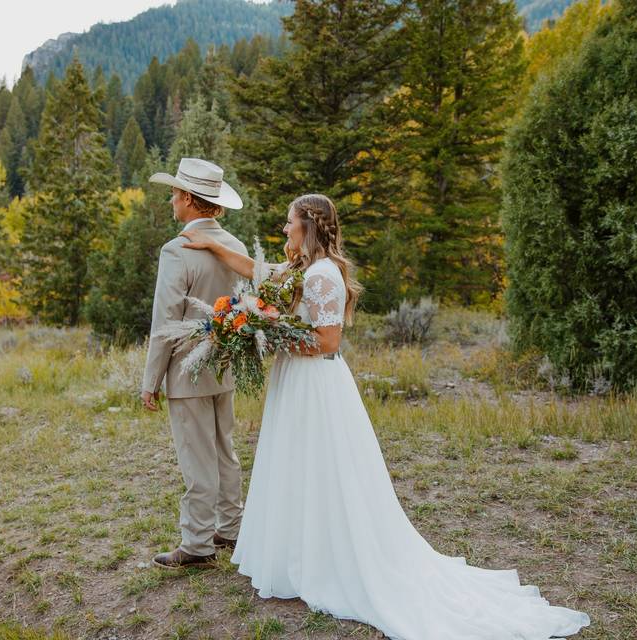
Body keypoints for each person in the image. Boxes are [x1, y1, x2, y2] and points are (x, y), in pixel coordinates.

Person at [179, 193, 591, 639]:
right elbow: (257, 271)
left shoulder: (320, 276)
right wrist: (213, 248)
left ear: (309, 226)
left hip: (314, 385)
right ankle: (302, 554)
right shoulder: (301, 269)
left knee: (324, 469)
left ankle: (328, 560)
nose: (283, 229)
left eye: (289, 221)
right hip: (296, 382)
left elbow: (328, 342)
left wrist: (268, 335)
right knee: (299, 467)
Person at [140, 157, 249, 569]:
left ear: (188, 198)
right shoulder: (236, 247)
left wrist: (151, 380)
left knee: (195, 455)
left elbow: (165, 321)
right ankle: (231, 528)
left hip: (187, 368)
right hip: (226, 365)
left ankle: (197, 544)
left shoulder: (177, 250)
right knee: (225, 449)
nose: (171, 200)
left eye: (174, 194)